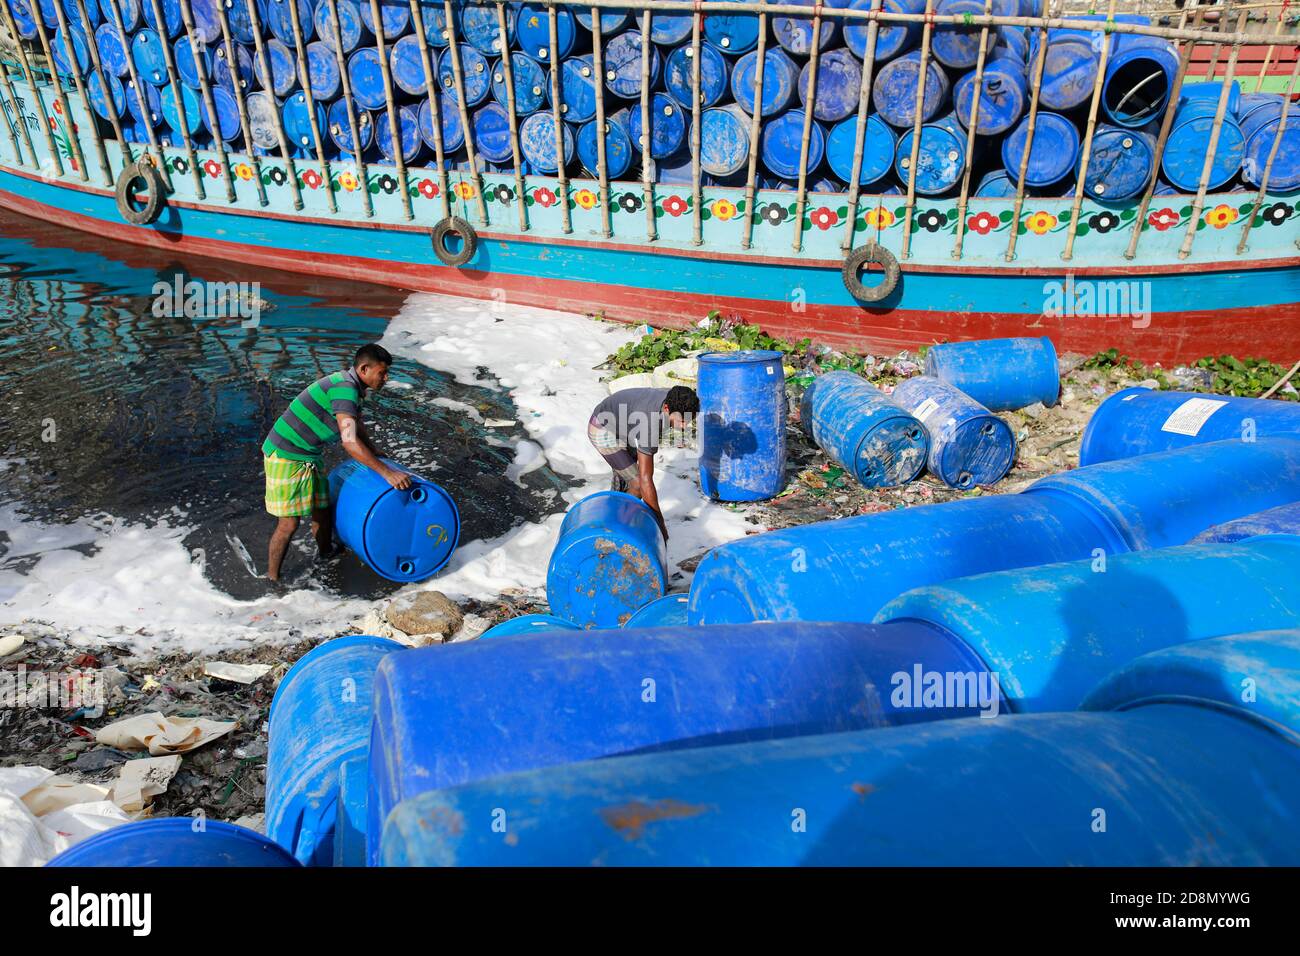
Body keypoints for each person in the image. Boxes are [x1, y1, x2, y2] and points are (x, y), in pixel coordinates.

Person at [262, 343, 410, 582]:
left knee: (322, 510)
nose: (386, 378)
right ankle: (273, 580)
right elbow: (349, 442)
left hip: (309, 453)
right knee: (289, 524)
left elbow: (356, 423)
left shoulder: (352, 387)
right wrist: (387, 473)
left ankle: (326, 554)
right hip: (286, 454)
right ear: (363, 369)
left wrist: (374, 451)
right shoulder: (345, 389)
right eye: (382, 373)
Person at [587, 385, 699, 541]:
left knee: (628, 484)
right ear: (666, 408)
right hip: (603, 428)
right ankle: (614, 532)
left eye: (688, 420)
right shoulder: (650, 423)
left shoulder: (677, 398)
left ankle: (615, 520)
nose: (683, 426)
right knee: (638, 484)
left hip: (625, 425)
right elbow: (645, 479)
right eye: (680, 421)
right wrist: (661, 526)